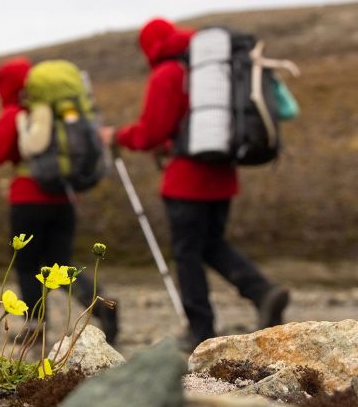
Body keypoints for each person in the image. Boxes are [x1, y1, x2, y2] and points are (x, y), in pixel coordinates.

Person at [99, 18, 290, 350]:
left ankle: (200, 329)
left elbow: (151, 131)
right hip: (222, 174)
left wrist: (118, 136)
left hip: (186, 181)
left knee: (187, 253)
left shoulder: (168, 73)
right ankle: (263, 292)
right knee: (211, 244)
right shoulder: (208, 69)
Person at [0, 57, 119, 344]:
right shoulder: (54, 111)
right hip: (63, 197)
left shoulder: (15, 113)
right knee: (60, 264)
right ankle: (101, 304)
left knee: (27, 264)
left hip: (28, 200)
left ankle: (35, 326)